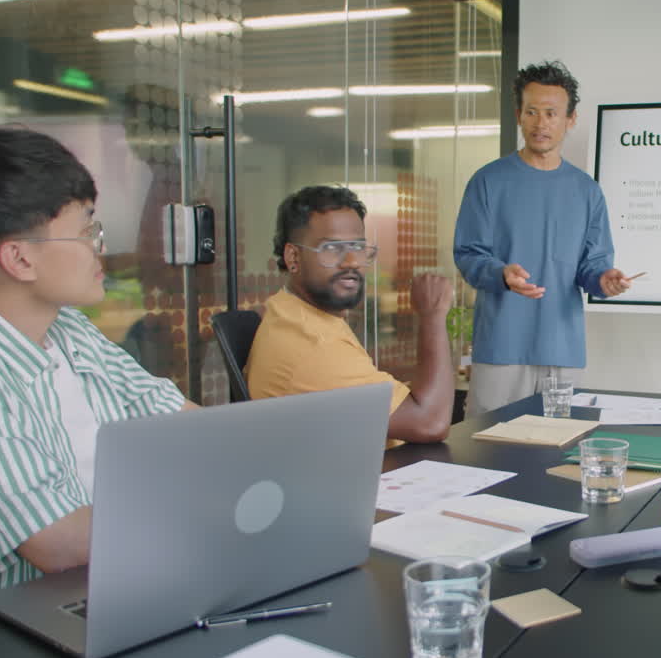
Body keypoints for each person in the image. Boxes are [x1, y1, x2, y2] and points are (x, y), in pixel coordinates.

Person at [0, 126, 195, 593]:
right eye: (86, 233)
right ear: (19, 259)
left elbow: (184, 423)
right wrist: (215, 509)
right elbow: (60, 542)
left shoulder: (69, 330)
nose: (101, 248)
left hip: (123, 574)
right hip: (24, 620)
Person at [454, 60, 632, 418]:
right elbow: (469, 253)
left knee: (555, 451)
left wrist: (604, 279)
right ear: (519, 114)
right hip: (501, 346)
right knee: (487, 451)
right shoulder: (488, 181)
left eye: (551, 113)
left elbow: (592, 265)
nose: (541, 122)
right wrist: (502, 273)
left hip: (562, 350)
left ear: (570, 119)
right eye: (532, 111)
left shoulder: (587, 192)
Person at [246, 186, 454, 445]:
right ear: (293, 256)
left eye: (357, 246)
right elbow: (430, 423)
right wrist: (432, 314)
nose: (352, 262)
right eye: (333, 248)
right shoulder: (315, 344)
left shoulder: (290, 311)